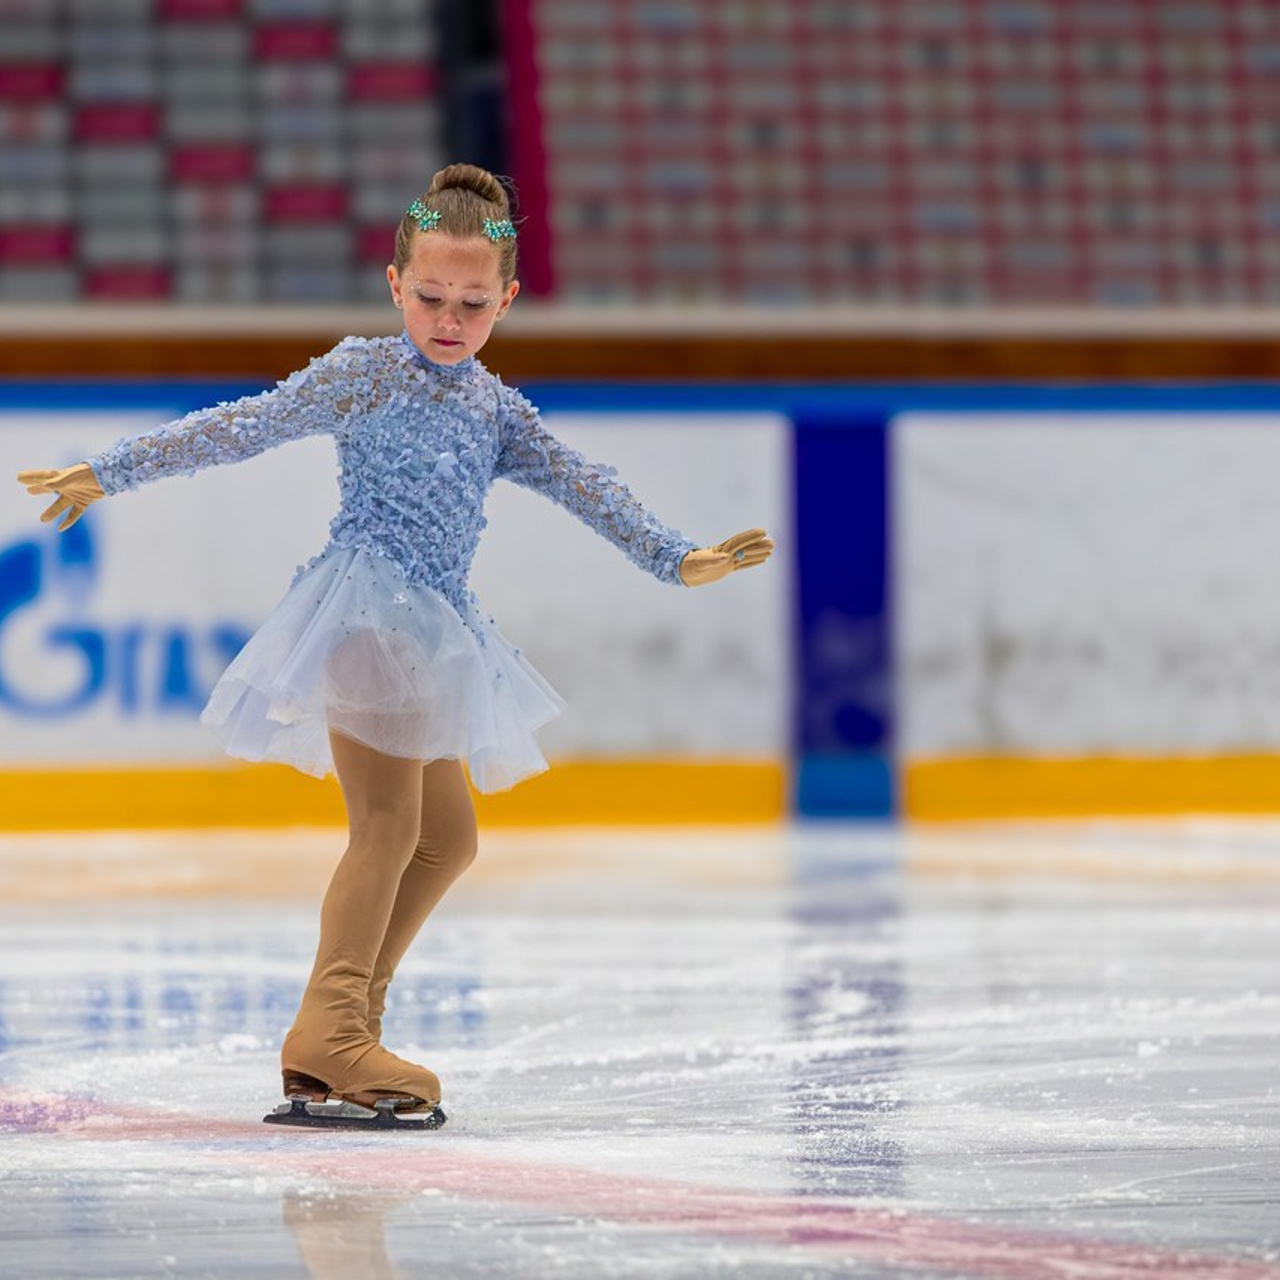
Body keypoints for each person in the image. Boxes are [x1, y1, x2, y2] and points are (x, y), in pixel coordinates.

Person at [16, 163, 774, 1128]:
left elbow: (585, 484)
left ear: (506, 299)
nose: (447, 320)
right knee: (386, 828)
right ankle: (330, 1031)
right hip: (367, 614)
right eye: (428, 297)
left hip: (439, 629)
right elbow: (244, 425)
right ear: (394, 284)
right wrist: (110, 472)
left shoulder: (497, 409)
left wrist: (676, 558)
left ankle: (347, 1028)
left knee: (447, 839)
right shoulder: (365, 371)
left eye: (471, 303)